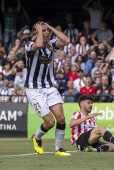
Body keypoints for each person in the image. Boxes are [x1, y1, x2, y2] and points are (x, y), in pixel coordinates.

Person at [24, 22, 71, 156]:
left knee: (61, 118)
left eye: (47, 31)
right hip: (34, 90)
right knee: (49, 122)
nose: (47, 33)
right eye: (44, 31)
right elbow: (38, 45)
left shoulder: (51, 45)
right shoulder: (28, 46)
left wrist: (50, 27)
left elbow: (66, 41)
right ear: (36, 33)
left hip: (49, 88)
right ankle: (36, 138)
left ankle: (58, 149)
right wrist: (40, 31)